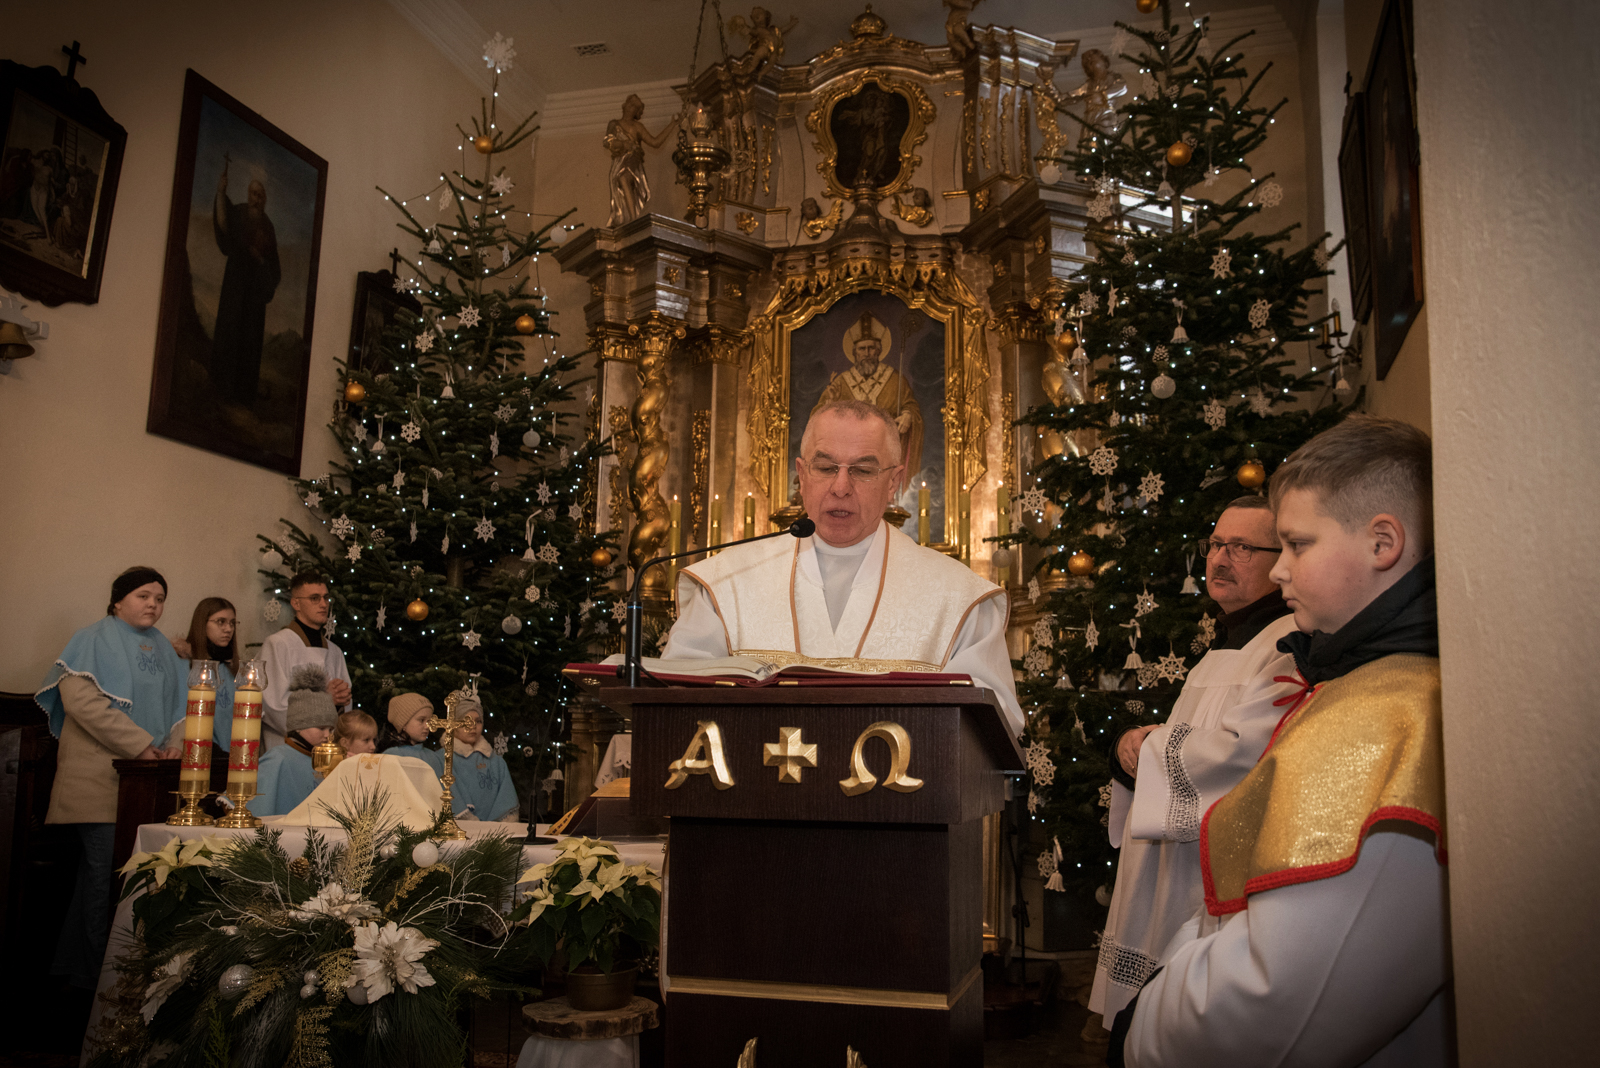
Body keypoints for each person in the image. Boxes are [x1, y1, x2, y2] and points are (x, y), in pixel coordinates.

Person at [1113, 416, 1448, 1067]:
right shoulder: (1355, 683)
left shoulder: (1390, 719)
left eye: (1295, 545)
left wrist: (1144, 1026)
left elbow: (1282, 1000)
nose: (1281, 571)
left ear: (1383, 543)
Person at [664, 400, 1023, 737]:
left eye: (863, 471)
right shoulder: (726, 584)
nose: (840, 487)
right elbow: (674, 700)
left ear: (893, 482)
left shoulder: (958, 598)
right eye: (825, 468)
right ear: (802, 474)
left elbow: (993, 721)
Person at [1089, 496, 1301, 1027]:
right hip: (1171, 860)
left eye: (1242, 548)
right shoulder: (1222, 647)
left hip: (1214, 867)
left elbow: (1243, 755)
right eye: (1215, 544)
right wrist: (1131, 747)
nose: (1220, 558)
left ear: (1280, 560)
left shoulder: (1286, 646)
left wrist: (1147, 747)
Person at [36, 567, 184, 989]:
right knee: (108, 880)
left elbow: (183, 706)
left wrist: (175, 746)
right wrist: (140, 745)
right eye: (143, 596)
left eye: (160, 598)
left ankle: (76, 971)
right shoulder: (92, 638)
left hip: (148, 779)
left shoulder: (164, 648)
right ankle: (105, 984)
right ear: (118, 600)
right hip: (99, 780)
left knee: (100, 879)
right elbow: (81, 702)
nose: (153, 604)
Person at [811, 312, 924, 482]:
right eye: (862, 349)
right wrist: (829, 403)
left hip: (885, 459)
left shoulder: (896, 380)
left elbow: (911, 407)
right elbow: (816, 421)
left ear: (879, 351)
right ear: (854, 352)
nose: (867, 353)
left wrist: (908, 415)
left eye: (871, 348)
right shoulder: (840, 383)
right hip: (847, 463)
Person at [210, 161, 281, 405]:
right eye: (253, 194)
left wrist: (260, 260)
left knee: (249, 342)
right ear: (248, 195)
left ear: (265, 200)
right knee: (229, 331)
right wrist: (221, 193)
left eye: (260, 196)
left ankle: (243, 396)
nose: (256, 200)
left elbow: (275, 269)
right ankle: (221, 388)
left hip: (254, 299)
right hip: (235, 287)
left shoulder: (268, 228)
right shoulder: (239, 212)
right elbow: (224, 226)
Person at [258, 572, 352, 751]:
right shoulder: (278, 644)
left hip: (327, 749)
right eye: (315, 598)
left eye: (326, 598)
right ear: (296, 603)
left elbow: (345, 706)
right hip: (288, 749)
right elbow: (273, 704)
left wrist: (342, 698)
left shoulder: (335, 651)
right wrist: (325, 700)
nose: (323, 604)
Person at [253, 665, 338, 817]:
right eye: (321, 728)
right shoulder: (278, 759)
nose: (327, 735)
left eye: (331, 729)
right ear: (299, 727)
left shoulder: (328, 760)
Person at [172, 597, 241, 750]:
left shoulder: (232, 669)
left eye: (232, 623)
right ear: (202, 624)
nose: (228, 629)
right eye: (221, 622)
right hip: (197, 751)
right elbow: (180, 714)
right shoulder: (184, 664)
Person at [439, 697, 519, 822]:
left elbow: (507, 800)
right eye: (466, 721)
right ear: (453, 725)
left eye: (478, 721)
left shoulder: (496, 762)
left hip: (494, 830)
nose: (473, 726)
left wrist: (497, 828)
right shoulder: (441, 759)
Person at [603, 94, 678, 227]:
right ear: (624, 105)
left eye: (634, 107)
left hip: (633, 159)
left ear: (637, 112)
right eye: (630, 104)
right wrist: (622, 144)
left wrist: (672, 124)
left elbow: (655, 142)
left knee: (623, 178)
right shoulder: (614, 124)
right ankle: (628, 218)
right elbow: (607, 142)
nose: (630, 107)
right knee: (620, 187)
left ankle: (633, 220)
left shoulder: (638, 127)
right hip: (619, 161)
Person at [381, 692, 443, 772]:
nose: (427, 726)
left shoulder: (433, 757)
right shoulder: (392, 756)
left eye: (429, 721)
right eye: (421, 720)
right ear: (404, 724)